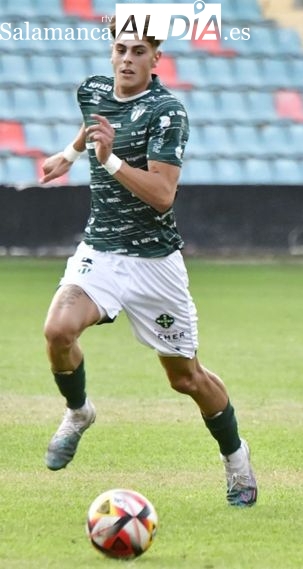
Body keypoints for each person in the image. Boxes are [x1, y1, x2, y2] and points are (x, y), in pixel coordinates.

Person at [38, 17, 257, 507]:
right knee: (58, 331)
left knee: (186, 379)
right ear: (111, 52)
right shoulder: (92, 90)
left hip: (154, 263)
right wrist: (69, 156)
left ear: (156, 58)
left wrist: (111, 161)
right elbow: (93, 123)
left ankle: (236, 457)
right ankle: (79, 412)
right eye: (120, 49)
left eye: (139, 51)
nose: (127, 59)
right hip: (101, 251)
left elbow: (161, 195)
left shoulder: (166, 112)